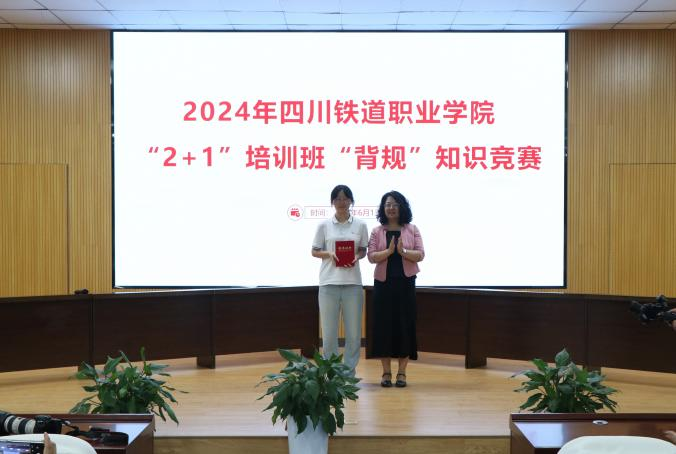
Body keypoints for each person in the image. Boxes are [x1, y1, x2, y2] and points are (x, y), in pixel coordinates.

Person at [367, 190, 424, 388]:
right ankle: (385, 372)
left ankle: (402, 372)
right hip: (383, 284)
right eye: (387, 204)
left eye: (394, 204)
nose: (391, 208)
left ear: (401, 207)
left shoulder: (412, 229)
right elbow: (371, 256)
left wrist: (402, 251)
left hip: (405, 284)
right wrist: (389, 251)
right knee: (383, 326)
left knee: (405, 326)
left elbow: (421, 254)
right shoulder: (377, 231)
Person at [311, 185, 368, 376]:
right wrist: (329, 254)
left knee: (353, 333)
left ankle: (349, 373)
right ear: (332, 202)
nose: (341, 202)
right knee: (329, 334)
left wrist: (357, 257)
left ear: (351, 201)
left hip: (353, 284)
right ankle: (333, 373)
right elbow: (314, 251)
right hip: (328, 283)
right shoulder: (324, 225)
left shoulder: (360, 225)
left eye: (345, 198)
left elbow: (363, 249)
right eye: (337, 199)